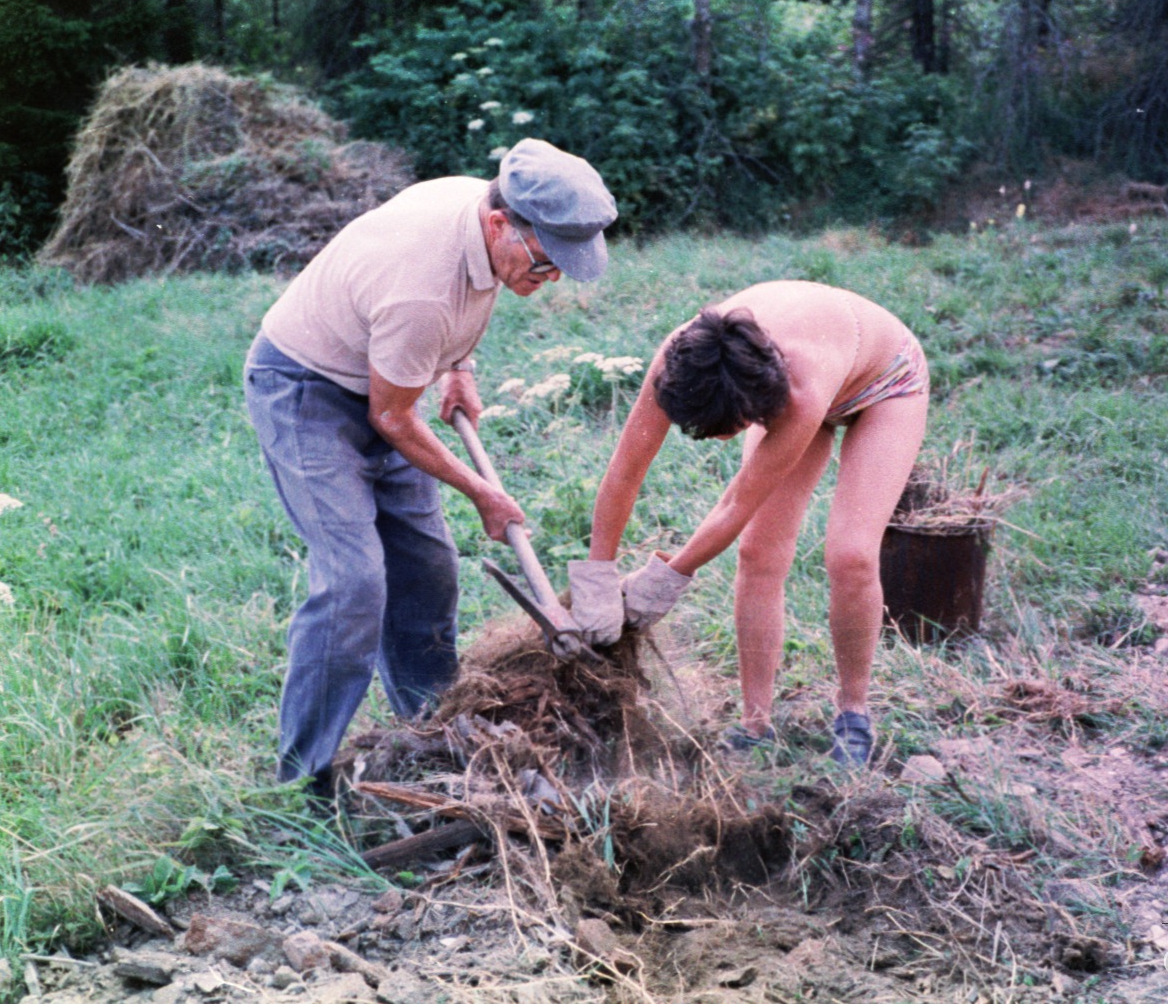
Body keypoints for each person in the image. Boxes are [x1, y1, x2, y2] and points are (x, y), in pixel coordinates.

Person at [243, 138, 618, 795]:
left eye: (563, 266)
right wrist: (482, 493)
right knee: (354, 583)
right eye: (544, 262)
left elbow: (458, 311)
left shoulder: (481, 217)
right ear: (500, 222)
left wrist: (459, 366)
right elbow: (392, 416)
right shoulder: (421, 286)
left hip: (387, 377)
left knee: (427, 571)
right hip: (306, 390)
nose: (548, 277)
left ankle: (430, 733)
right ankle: (297, 783)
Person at [570, 280, 930, 765]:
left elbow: (735, 505)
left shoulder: (801, 391)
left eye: (732, 429)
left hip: (886, 381)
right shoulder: (680, 360)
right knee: (759, 553)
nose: (722, 442)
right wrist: (597, 573)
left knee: (851, 555)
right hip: (802, 370)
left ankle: (853, 714)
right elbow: (625, 470)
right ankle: (755, 723)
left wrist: (664, 580)